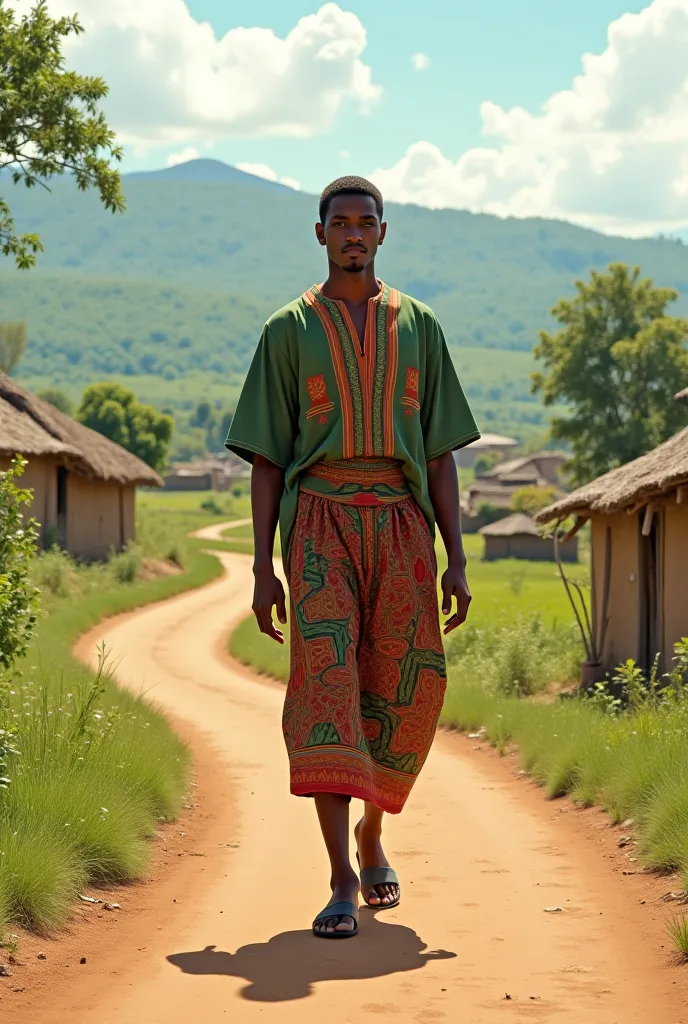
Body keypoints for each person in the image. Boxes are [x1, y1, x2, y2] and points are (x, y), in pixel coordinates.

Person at [226, 176, 480, 939]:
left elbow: (439, 456)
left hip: (404, 528)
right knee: (328, 692)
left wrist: (457, 558)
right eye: (340, 223)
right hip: (320, 531)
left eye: (365, 223)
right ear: (319, 234)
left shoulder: (422, 327)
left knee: (405, 692)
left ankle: (374, 831)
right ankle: (340, 877)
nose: (353, 235)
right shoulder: (287, 330)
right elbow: (267, 460)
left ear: (383, 232)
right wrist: (264, 566)